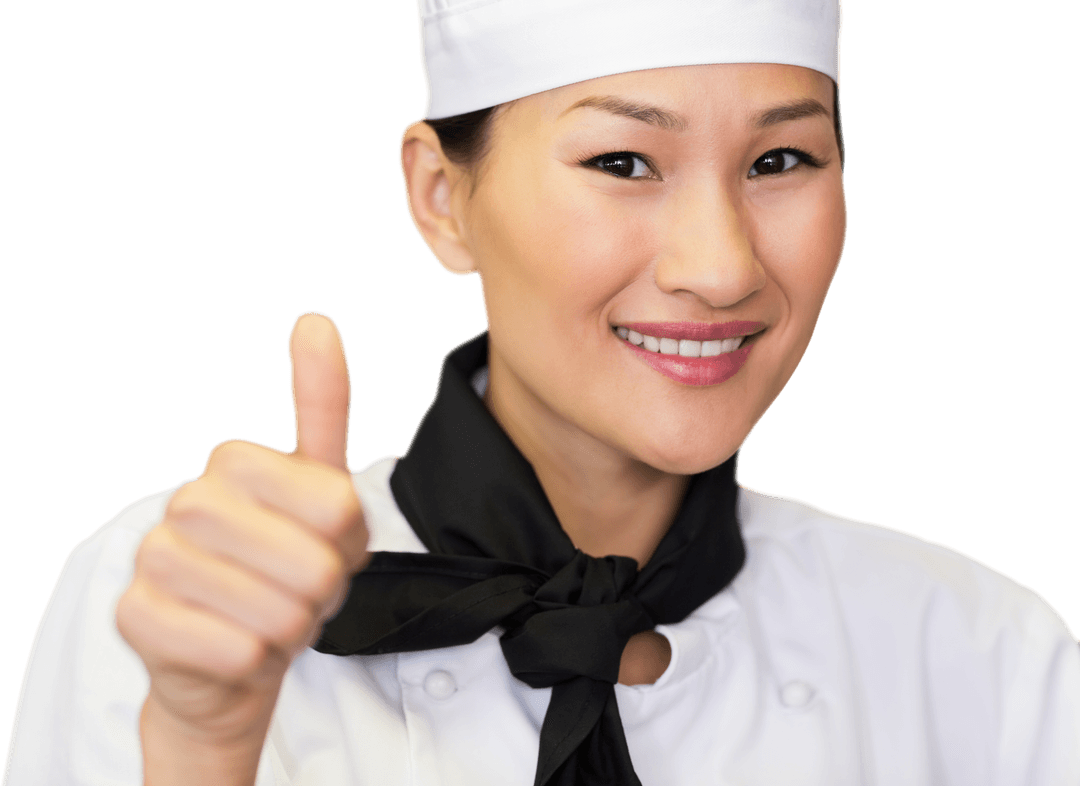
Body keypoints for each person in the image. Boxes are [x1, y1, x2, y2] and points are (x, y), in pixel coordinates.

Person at [4, 0, 1078, 784]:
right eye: (622, 162)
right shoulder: (176, 598)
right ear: (442, 197)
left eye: (780, 160)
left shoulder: (986, 661)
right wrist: (200, 745)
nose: (721, 267)